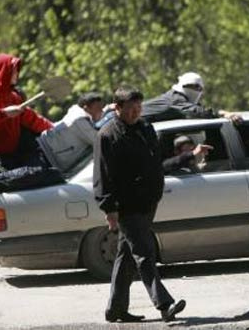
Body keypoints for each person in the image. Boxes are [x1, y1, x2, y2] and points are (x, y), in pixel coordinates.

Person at [94, 86, 185, 323]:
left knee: (126, 256)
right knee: (145, 253)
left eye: (139, 108)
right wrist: (109, 208)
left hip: (148, 200)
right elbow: (102, 176)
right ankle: (165, 304)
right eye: (131, 109)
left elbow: (157, 162)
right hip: (127, 205)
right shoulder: (107, 135)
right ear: (117, 108)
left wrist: (187, 157)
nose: (136, 113)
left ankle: (116, 309)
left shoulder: (145, 128)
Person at [0, 93, 105, 202]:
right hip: (46, 153)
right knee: (34, 173)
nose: (101, 111)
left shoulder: (76, 111)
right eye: (98, 108)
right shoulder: (80, 120)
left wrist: (107, 111)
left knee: (49, 177)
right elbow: (99, 141)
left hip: (43, 148)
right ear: (87, 107)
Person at [0, 53, 53, 172]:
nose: (17, 74)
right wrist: (4, 113)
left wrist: (52, 128)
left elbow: (31, 118)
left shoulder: (14, 97)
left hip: (10, 153)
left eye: (17, 71)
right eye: (14, 71)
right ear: (4, 71)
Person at [96, 72, 242, 127]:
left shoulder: (176, 98)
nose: (197, 92)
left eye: (199, 89)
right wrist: (224, 114)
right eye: (194, 88)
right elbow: (199, 112)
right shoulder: (176, 99)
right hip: (116, 120)